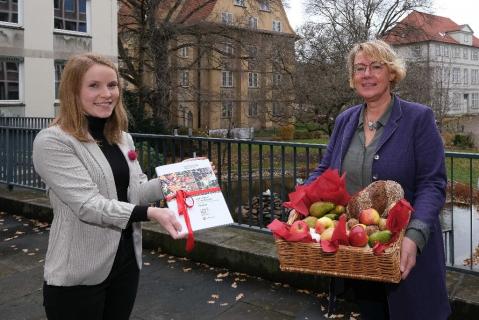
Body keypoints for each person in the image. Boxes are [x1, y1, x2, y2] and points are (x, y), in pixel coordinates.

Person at [304, 40, 451, 319]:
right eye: (360, 68)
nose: (367, 74)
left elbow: (433, 184)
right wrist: (299, 198)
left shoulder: (418, 118)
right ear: (352, 77)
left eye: (376, 66)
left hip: (406, 250)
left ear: (391, 73)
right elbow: (325, 171)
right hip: (361, 252)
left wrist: (414, 236)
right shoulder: (345, 120)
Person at [32, 53, 184, 320]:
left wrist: (181, 177)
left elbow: (135, 194)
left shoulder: (122, 138)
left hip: (126, 263)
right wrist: (151, 213)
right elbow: (88, 206)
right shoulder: (53, 142)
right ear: (73, 91)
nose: (107, 94)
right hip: (79, 273)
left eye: (112, 85)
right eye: (94, 86)